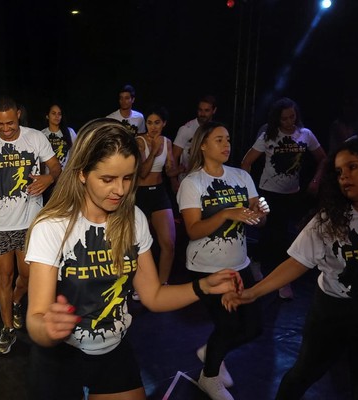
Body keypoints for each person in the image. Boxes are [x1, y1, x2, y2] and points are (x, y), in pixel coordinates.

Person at [24, 118, 243, 400]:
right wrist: (48, 328)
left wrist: (203, 287)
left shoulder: (133, 220)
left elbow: (152, 296)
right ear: (81, 173)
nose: (120, 190)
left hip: (113, 350)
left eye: (127, 177)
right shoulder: (52, 227)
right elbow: (35, 318)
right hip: (59, 358)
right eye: (107, 179)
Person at [224, 138, 358, 400]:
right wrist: (253, 293)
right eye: (340, 172)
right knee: (303, 373)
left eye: (353, 167)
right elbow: (297, 262)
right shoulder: (331, 220)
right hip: (335, 313)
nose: (345, 177)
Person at [177, 121, 270, 400]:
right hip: (206, 268)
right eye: (219, 140)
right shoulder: (192, 183)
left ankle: (211, 353)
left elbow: (259, 220)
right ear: (203, 145)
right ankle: (210, 377)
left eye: (227, 139)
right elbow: (193, 231)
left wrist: (261, 213)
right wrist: (225, 214)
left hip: (240, 264)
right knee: (228, 326)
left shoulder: (242, 176)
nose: (226, 144)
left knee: (254, 327)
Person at [0, 96, 61, 354]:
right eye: (0, 124)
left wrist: (47, 178)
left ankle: (17, 301)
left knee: (29, 274)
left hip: (30, 221)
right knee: (4, 276)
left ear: (18, 115)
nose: (6, 129)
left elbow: (56, 169)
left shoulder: (35, 138)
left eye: (10, 123)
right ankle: (8, 328)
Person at [241, 97, 327, 299]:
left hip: (292, 192)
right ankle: (281, 281)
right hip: (269, 191)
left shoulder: (305, 134)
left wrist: (316, 181)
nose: (289, 122)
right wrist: (250, 192)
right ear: (277, 120)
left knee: (280, 234)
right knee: (275, 233)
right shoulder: (268, 136)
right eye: (285, 119)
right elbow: (246, 162)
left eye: (292, 117)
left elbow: (323, 159)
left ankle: (257, 261)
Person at [135, 106, 177, 286]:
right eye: (150, 123)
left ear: (164, 124)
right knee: (138, 245)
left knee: (168, 243)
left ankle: (162, 284)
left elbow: (170, 170)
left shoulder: (167, 142)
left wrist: (184, 167)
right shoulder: (138, 141)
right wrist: (153, 150)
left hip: (159, 193)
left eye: (157, 123)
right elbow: (142, 173)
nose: (152, 127)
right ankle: (139, 285)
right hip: (140, 194)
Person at [172, 95, 218, 191]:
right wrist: (173, 181)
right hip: (187, 179)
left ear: (214, 110)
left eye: (206, 110)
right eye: (200, 110)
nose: (202, 114)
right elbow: (174, 156)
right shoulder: (186, 129)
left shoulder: (216, 130)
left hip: (209, 179)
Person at [40, 103, 77, 203]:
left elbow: (77, 153)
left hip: (66, 179)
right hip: (49, 179)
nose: (57, 116)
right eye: (54, 113)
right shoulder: (42, 134)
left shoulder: (69, 132)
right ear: (47, 116)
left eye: (59, 114)